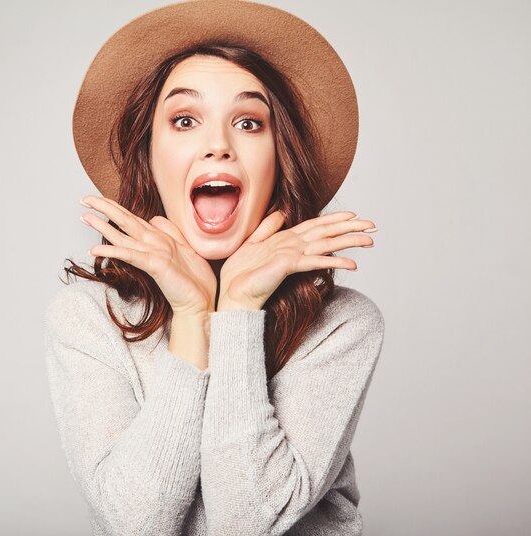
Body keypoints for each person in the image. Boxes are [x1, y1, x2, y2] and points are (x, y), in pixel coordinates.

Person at [44, 1, 385, 535]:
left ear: (279, 158)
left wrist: (239, 312)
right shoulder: (87, 318)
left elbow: (249, 522)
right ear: (149, 156)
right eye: (184, 120)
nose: (218, 146)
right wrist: (191, 314)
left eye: (249, 122)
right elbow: (137, 525)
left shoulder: (342, 324)